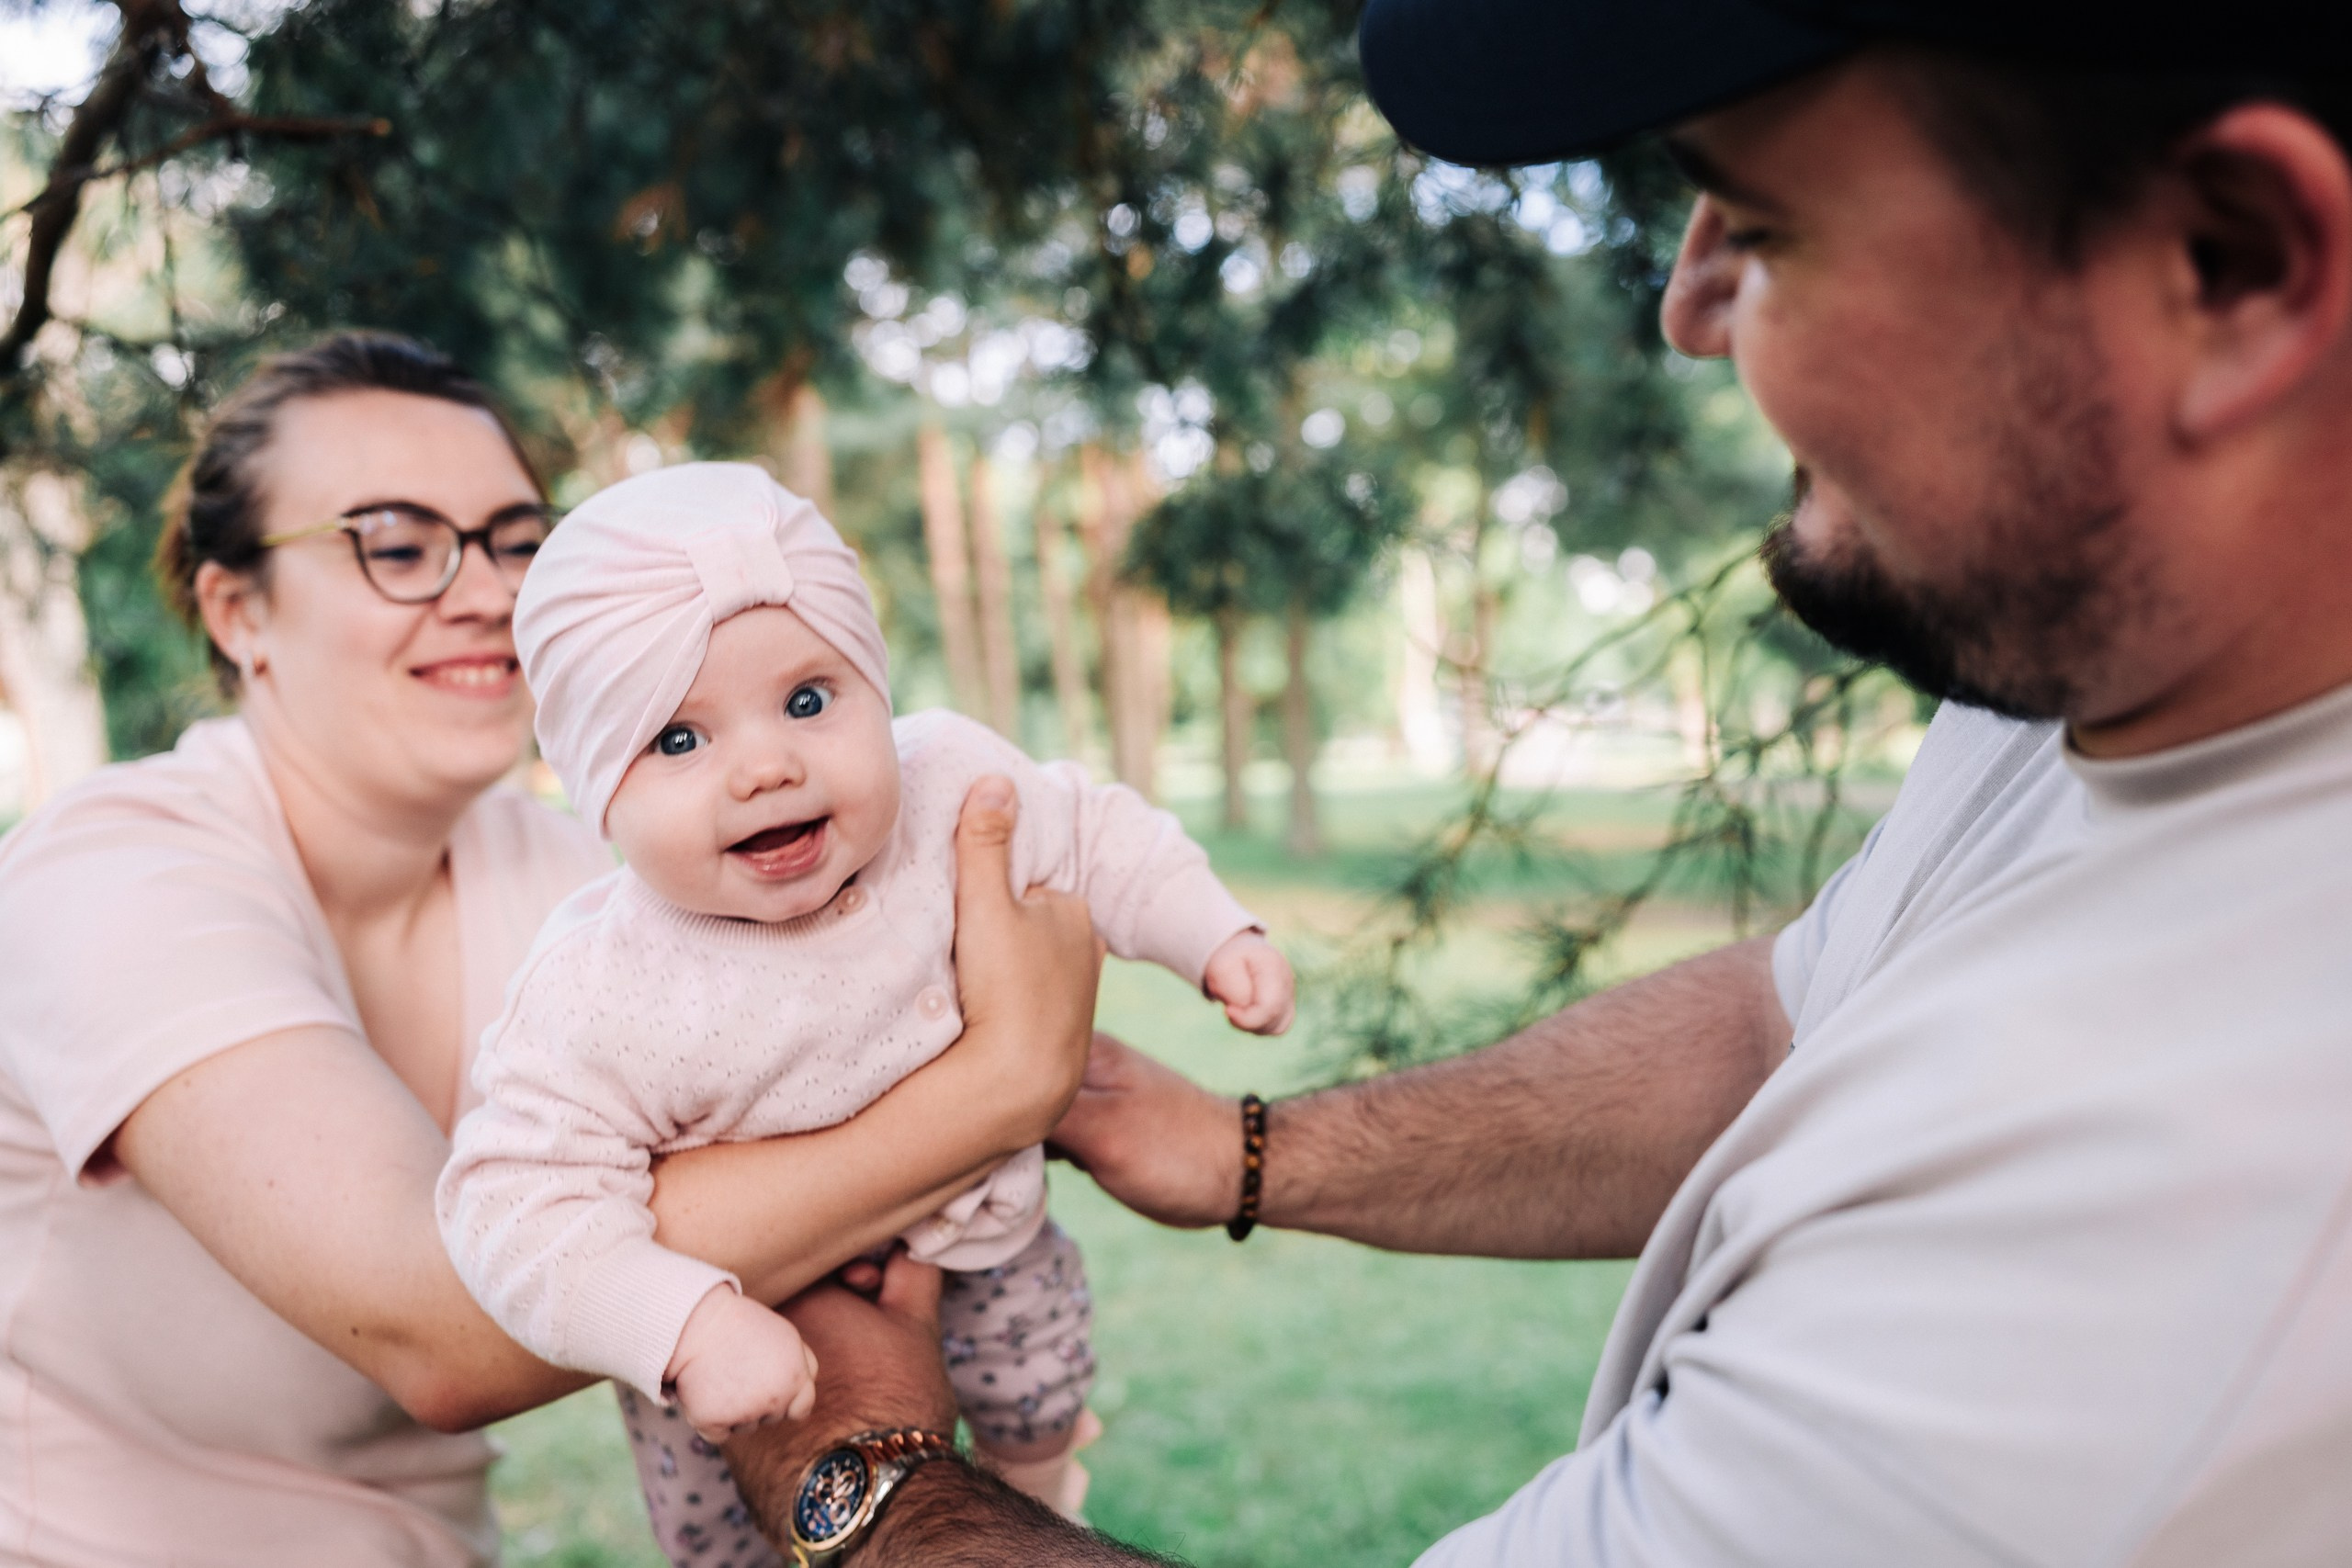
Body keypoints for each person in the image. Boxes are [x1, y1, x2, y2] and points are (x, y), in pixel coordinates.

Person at [716, 6, 2352, 1565]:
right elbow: (1785, 1030)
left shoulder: (2187, 1218)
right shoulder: (2120, 676)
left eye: (1765, 226)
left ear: (2234, 266)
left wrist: (853, 1471)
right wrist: (1242, 1148)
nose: (1689, 303)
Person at [0, 333, 1103, 1566]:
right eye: (398, 543)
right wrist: (1001, 1083)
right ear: (237, 607)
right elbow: (433, 1319)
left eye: (518, 540)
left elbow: (849, 1077)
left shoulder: (584, 887)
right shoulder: (109, 868)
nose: (488, 592)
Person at [435, 462, 1290, 1555]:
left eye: (807, 700)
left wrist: (1210, 930)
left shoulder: (947, 787)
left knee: (1038, 1379)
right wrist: (683, 1325)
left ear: (877, 692)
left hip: (980, 1223)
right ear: (598, 787)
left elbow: (1089, 829)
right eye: (679, 739)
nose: (766, 766)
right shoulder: (600, 987)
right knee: (725, 1523)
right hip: (751, 1313)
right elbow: (509, 1202)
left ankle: (1044, 1482)